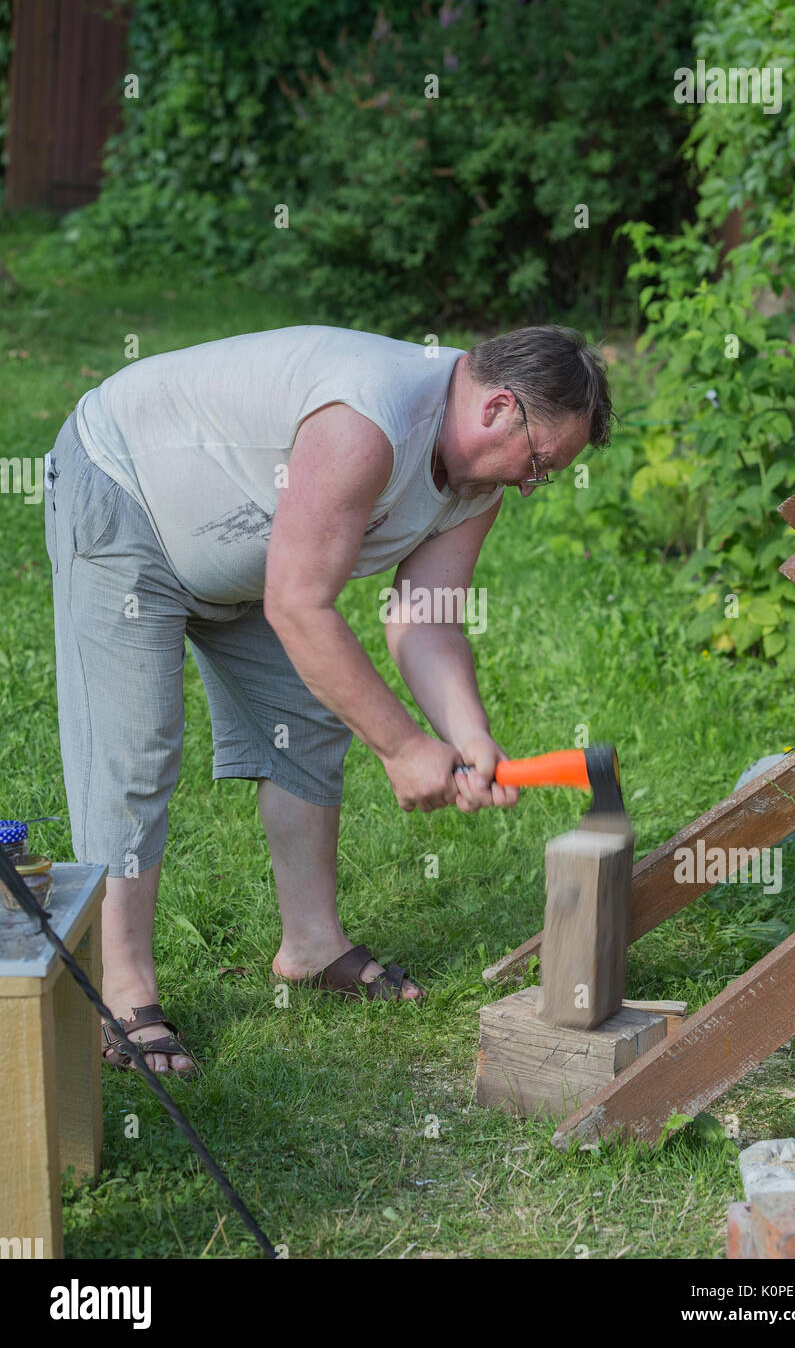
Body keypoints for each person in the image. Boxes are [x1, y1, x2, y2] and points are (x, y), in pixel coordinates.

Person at [43, 322, 612, 1073]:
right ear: (498, 406)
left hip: (247, 551)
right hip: (125, 493)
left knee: (304, 722)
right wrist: (404, 749)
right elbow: (301, 606)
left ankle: (311, 945)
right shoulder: (369, 423)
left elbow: (426, 621)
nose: (529, 483)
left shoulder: (475, 483)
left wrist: (468, 737)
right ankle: (123, 993)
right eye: (539, 464)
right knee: (136, 750)